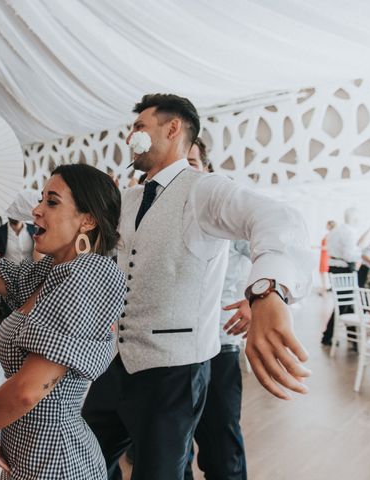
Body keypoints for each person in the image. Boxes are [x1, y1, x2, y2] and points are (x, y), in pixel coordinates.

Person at [81, 93, 313, 480]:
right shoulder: (128, 197)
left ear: (173, 129)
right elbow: (65, 210)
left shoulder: (204, 189)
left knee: (162, 473)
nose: (130, 137)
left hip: (174, 370)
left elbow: (278, 218)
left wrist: (267, 291)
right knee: (85, 460)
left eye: (139, 127)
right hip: (115, 364)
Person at [0, 151, 125, 479]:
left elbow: (29, 390)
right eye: (40, 200)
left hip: (57, 463)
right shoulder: (48, 274)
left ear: (88, 220)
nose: (36, 210)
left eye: (52, 202)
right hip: (28, 455)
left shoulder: (90, 275)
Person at [182, 138, 251, 480]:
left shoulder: (224, 209)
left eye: (191, 164)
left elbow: (268, 246)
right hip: (175, 349)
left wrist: (260, 297)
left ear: (206, 169)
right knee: (175, 448)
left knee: (221, 443)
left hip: (220, 340)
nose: (184, 173)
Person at [321, 209, 370, 346]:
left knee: (346, 303)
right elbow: (350, 255)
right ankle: (329, 336)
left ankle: (350, 338)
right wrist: (361, 255)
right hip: (344, 268)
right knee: (345, 303)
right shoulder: (349, 232)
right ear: (354, 219)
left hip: (334, 267)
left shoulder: (336, 230)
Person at [319, 220, 335, 292]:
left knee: (324, 271)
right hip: (323, 254)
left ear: (330, 226)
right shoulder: (328, 235)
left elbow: (328, 247)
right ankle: (324, 288)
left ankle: (325, 289)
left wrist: (318, 247)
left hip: (326, 255)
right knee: (322, 271)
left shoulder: (331, 235)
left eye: (327, 224)